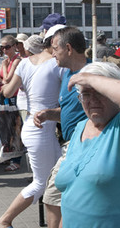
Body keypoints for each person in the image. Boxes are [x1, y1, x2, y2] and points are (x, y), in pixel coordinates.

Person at [53, 62, 120, 228]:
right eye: (86, 94)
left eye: (99, 92)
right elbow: (71, 194)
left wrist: (87, 78)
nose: (92, 100)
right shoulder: (81, 127)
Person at [0, 31, 63, 228]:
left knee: (58, 180)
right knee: (42, 183)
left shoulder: (24, 63)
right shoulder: (56, 64)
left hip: (33, 125)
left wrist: (15, 78)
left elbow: (7, 91)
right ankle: (3, 221)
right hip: (42, 127)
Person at [33, 26, 90, 227]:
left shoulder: (92, 75)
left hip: (83, 149)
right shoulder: (67, 74)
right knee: (53, 198)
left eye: (55, 48)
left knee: (56, 197)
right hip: (69, 146)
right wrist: (50, 114)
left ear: (68, 48)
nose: (52, 52)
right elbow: (71, 112)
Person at [0, 34, 23, 172]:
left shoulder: (16, 61)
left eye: (7, 47)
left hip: (14, 97)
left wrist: (5, 67)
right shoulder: (6, 61)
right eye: (2, 47)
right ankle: (10, 154)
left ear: (14, 47)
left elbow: (6, 79)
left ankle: (16, 159)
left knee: (15, 128)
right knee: (6, 128)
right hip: (5, 96)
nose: (4, 50)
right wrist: (3, 76)